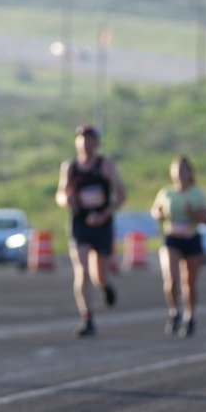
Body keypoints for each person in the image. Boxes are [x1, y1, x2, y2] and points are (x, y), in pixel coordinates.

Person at [55, 124, 127, 337]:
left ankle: (106, 286)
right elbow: (60, 195)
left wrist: (105, 214)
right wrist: (65, 199)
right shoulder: (70, 167)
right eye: (81, 138)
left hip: (102, 224)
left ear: (96, 143)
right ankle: (87, 318)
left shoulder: (105, 166)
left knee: (99, 275)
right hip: (80, 224)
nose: (85, 143)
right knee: (82, 270)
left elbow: (121, 195)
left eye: (89, 138)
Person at [150, 155, 206, 338]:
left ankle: (190, 316)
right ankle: (174, 311)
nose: (181, 174)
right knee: (171, 278)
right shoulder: (166, 193)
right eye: (177, 170)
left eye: (184, 170)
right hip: (172, 238)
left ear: (190, 173)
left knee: (189, 283)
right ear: (172, 172)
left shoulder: (198, 194)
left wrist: (193, 213)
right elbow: (155, 211)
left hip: (191, 238)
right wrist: (159, 214)